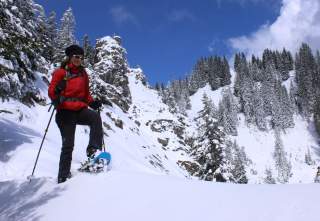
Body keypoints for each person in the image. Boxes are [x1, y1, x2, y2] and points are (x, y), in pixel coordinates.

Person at [48, 44, 103, 184]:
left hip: (78, 109)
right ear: (70, 57)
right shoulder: (61, 72)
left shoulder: (83, 74)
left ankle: (93, 152)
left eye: (81, 57)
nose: (79, 59)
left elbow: (86, 95)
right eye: (76, 56)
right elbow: (51, 91)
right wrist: (57, 92)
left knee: (95, 118)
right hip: (65, 112)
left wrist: (93, 103)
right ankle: (63, 177)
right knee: (68, 145)